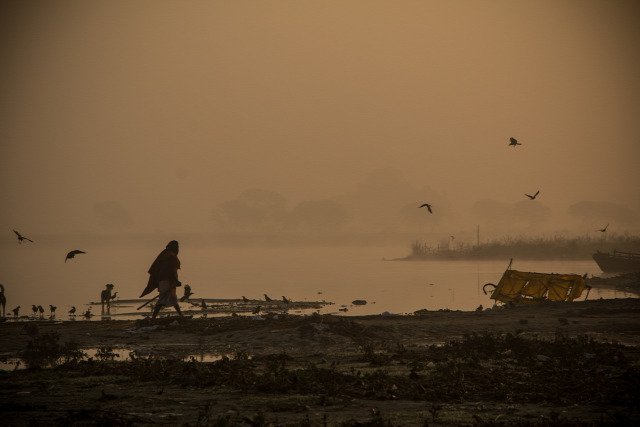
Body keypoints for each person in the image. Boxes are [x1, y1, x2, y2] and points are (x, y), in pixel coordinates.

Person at [140, 240, 185, 319]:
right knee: (162, 300)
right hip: (166, 281)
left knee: (173, 299)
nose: (178, 249)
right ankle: (153, 317)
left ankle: (181, 315)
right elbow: (170, 270)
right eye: (177, 247)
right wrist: (176, 280)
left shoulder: (165, 255)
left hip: (165, 281)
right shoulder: (170, 256)